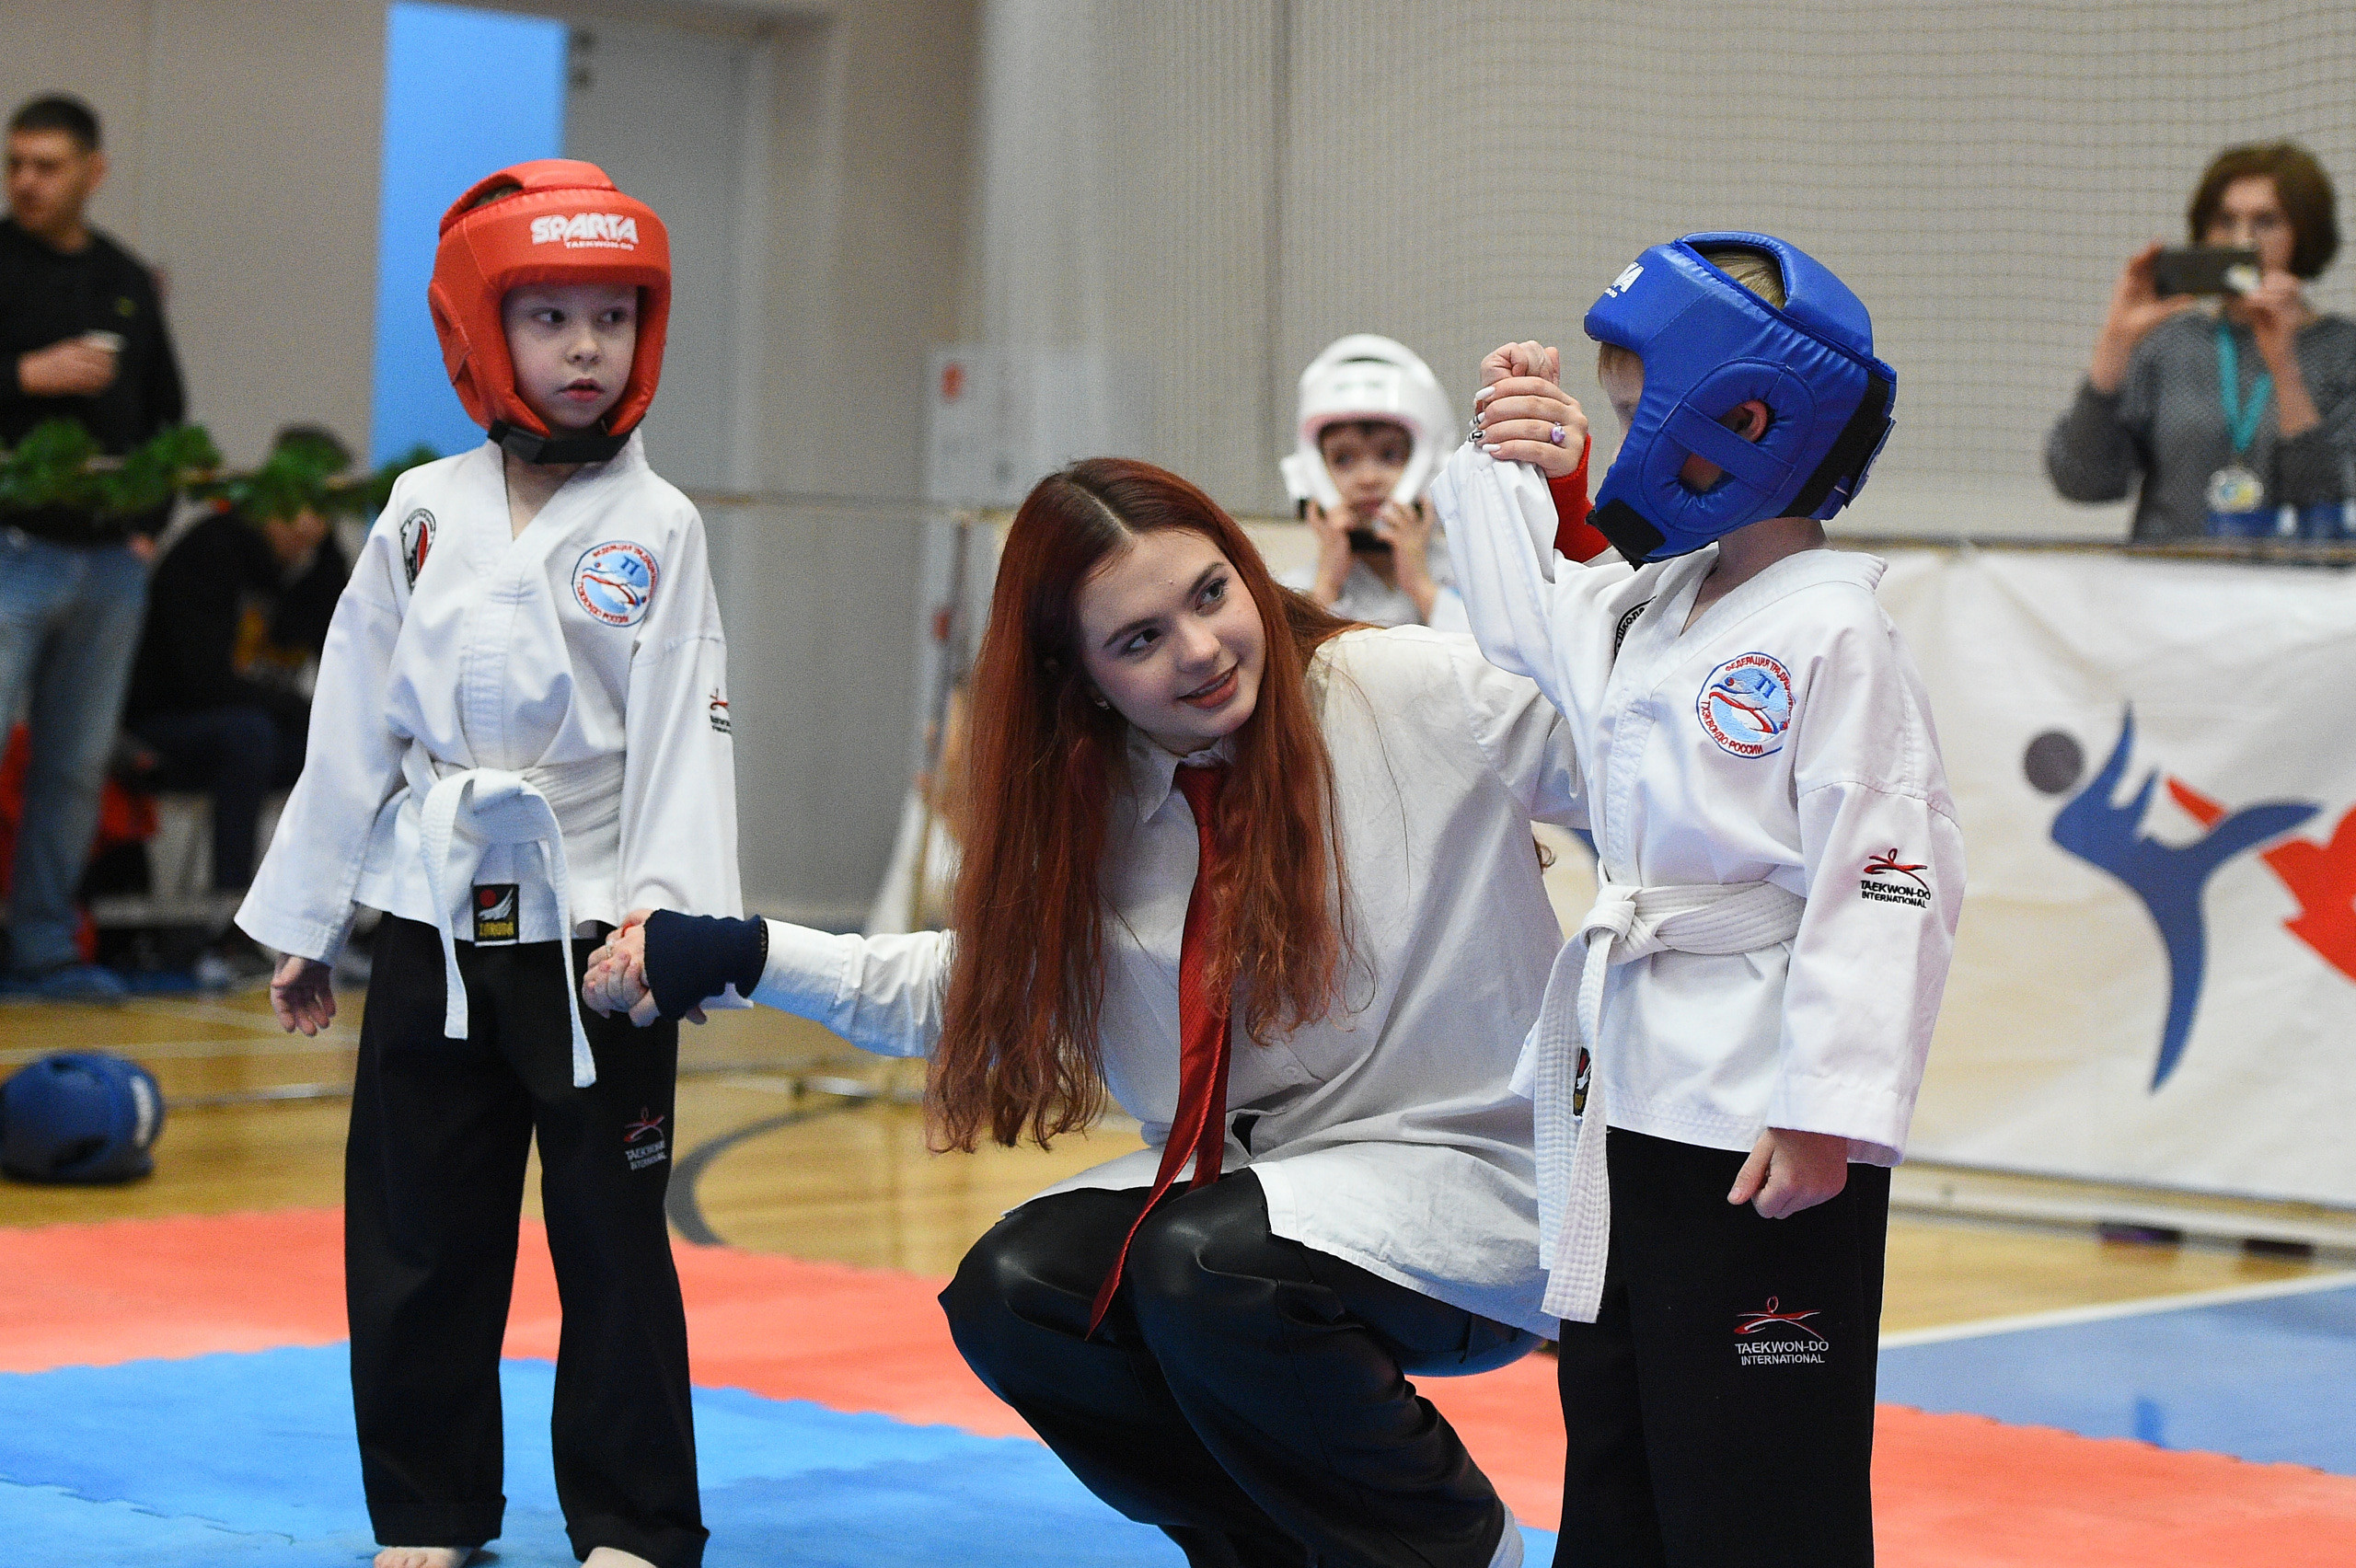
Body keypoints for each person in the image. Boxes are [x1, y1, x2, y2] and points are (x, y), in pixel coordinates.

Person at [585, 455, 1587, 1568]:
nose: (1199, 650)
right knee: (1020, 1294)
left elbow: (1633, 754)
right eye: (1140, 639)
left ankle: (1462, 1553)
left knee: (1206, 1267)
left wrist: (1585, 536)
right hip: (1265, 1196)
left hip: (1478, 1189)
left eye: (1211, 594)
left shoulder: (1405, 688)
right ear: (1081, 676)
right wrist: (745, 953)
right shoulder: (1088, 799)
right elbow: (974, 993)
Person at [236, 160, 737, 1568]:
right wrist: (308, 917)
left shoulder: (661, 525)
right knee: (418, 1232)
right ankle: (429, 1507)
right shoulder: (421, 509)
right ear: (480, 330)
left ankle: (632, 1519)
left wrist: (669, 930)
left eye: (612, 319)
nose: (586, 349)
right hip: (433, 916)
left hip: (596, 932)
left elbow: (684, 738)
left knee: (610, 1236)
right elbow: (354, 718)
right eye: (550, 318)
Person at [1434, 234, 1964, 1565]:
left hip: (1759, 1115)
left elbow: (1886, 881)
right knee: (1620, 1446)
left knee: (1755, 1480)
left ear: (1740, 421)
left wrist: (1826, 1114)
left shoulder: (1833, 631)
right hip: (1630, 1092)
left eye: (1631, 417)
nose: (1621, 446)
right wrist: (1506, 457)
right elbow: (1525, 616)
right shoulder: (1658, 603)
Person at [0, 94, 187, 1000]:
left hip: (111, 563)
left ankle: (43, 948)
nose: (26, 182)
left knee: (75, 768)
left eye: (47, 165)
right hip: (11, 549)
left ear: (93, 171)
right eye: (16, 165)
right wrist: (22, 375)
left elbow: (167, 414)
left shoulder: (123, 278)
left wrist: (149, 526)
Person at [124, 425, 352, 983]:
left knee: (354, 747)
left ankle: (339, 926)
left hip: (258, 725)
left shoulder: (323, 566)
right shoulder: (210, 548)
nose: (310, 524)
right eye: (299, 504)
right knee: (248, 733)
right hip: (165, 724)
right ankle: (231, 927)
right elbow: (203, 682)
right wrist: (302, 711)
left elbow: (350, 669)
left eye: (324, 509)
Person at [2047, 141, 2356, 541]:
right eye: (2226, 221)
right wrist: (2115, 343)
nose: (2242, 241)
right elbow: (2083, 482)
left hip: (2288, 580)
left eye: (2266, 221)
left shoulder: (2343, 351)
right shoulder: (2172, 343)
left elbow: (2332, 513)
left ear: (2304, 234)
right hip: (2170, 575)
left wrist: (2285, 370)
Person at [1275, 335, 1470, 628]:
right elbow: (1286, 656)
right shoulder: (1296, 591)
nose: (1368, 479)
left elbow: (1494, 656)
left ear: (1429, 467)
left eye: (1390, 455)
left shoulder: (1471, 575)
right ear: (1312, 473)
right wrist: (1326, 587)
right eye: (1343, 460)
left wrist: (1420, 587)